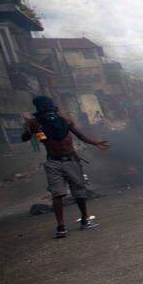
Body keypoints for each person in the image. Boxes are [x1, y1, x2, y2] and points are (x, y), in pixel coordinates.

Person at [20, 95, 110, 239]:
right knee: (58, 194)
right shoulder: (34, 123)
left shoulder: (65, 120)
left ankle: (85, 220)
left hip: (71, 160)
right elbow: (24, 138)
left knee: (79, 192)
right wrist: (30, 129)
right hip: (53, 162)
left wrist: (95, 143)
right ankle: (61, 227)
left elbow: (80, 136)